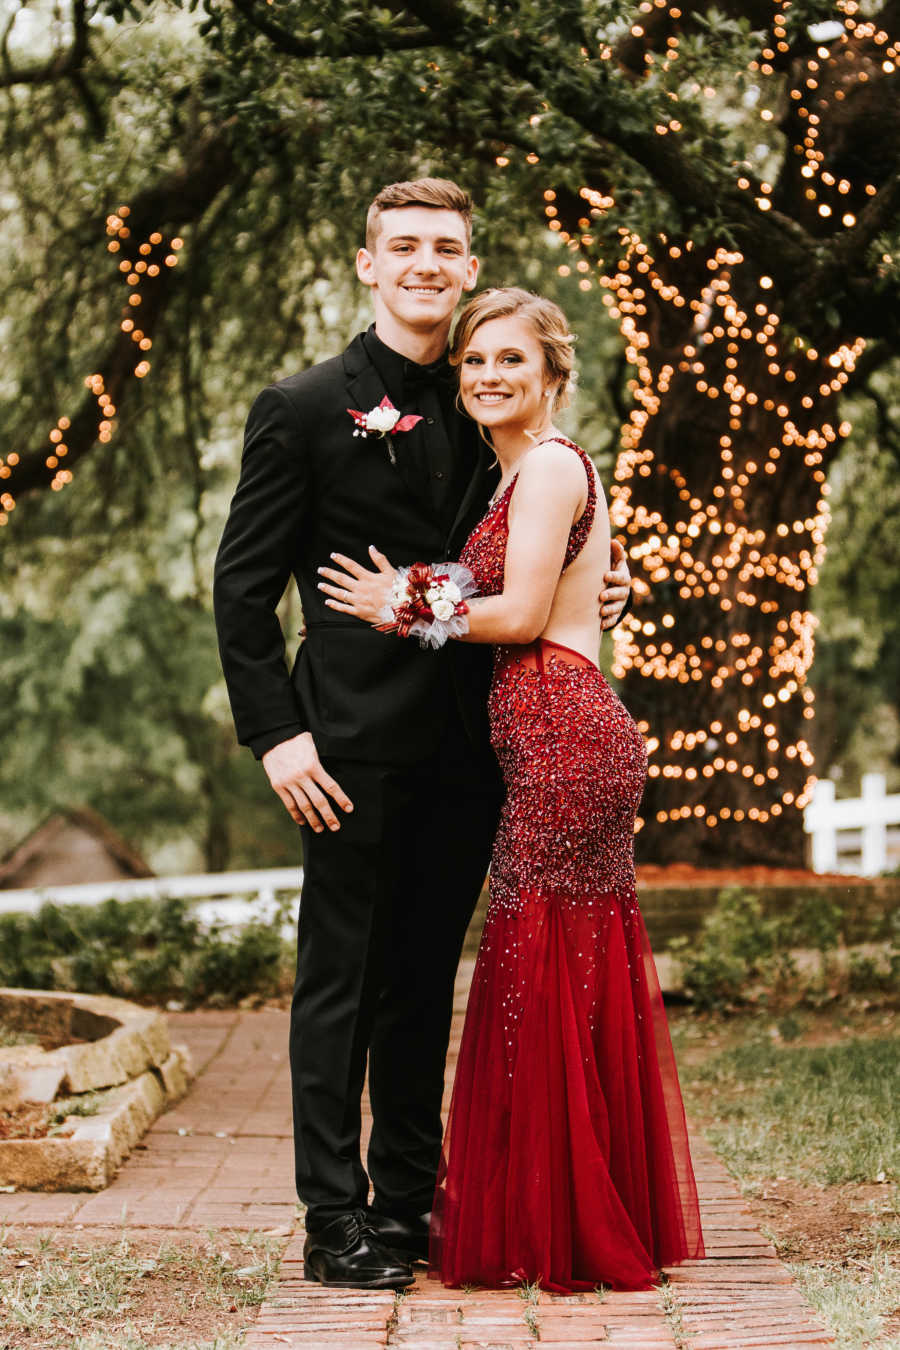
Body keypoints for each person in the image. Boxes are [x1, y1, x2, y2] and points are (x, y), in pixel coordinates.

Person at [213, 180, 633, 1291]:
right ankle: (332, 1222)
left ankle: (405, 1209)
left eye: (445, 247)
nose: (425, 264)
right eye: (403, 246)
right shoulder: (302, 408)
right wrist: (277, 737)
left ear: (468, 260)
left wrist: (596, 581)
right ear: (368, 264)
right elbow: (242, 589)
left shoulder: (491, 398)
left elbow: (533, 550)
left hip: (473, 749)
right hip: (342, 753)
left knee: (418, 988)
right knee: (339, 987)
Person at [319, 286, 704, 1292]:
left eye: (512, 362)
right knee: (558, 977)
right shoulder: (519, 477)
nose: (488, 374)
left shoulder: (546, 470)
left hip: (564, 737)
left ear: (552, 377)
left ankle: (565, 1220)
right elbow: (565, 590)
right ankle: (570, 1208)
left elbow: (525, 610)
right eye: (475, 360)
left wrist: (396, 602)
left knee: (542, 975)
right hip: (550, 736)